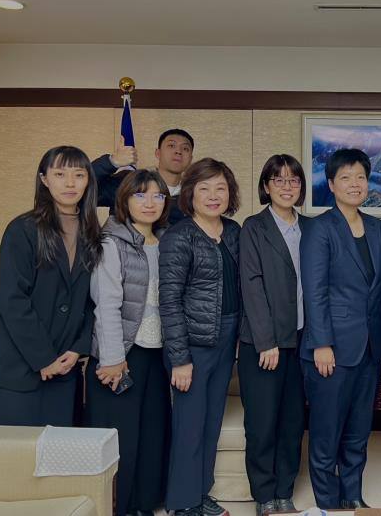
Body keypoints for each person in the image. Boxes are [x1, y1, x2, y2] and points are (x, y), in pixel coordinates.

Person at [300, 148, 381, 510]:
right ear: (331, 184)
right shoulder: (319, 228)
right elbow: (315, 290)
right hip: (332, 348)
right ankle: (328, 503)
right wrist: (321, 343)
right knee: (326, 433)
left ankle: (353, 497)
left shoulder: (378, 228)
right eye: (346, 177)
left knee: (358, 431)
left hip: (370, 346)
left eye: (360, 177)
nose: (355, 184)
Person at [0, 146, 101, 426]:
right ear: (45, 180)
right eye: (60, 174)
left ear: (88, 181)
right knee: (14, 461)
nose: (70, 183)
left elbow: (91, 300)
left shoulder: (93, 233)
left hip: (65, 371)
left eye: (78, 174)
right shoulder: (22, 229)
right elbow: (12, 300)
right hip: (19, 369)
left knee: (58, 463)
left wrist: (79, 348)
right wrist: (44, 359)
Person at [84, 169, 173, 516]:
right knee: (121, 440)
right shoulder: (111, 242)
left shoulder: (167, 241)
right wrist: (112, 358)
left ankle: (145, 506)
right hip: (120, 355)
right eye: (141, 195)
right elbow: (106, 304)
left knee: (152, 436)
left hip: (157, 354)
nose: (150, 203)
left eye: (158, 196)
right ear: (124, 200)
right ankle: (118, 509)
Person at [159, 158, 242, 516]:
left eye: (220, 188)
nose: (213, 196)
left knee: (210, 424)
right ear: (190, 193)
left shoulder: (234, 231)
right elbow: (169, 300)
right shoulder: (179, 236)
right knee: (189, 427)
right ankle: (183, 503)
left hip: (226, 338)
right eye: (204, 188)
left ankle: (200, 493)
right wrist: (180, 359)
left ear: (230, 193)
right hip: (192, 343)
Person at [238, 155, 310, 516]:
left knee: (293, 422)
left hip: (303, 342)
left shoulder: (310, 228)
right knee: (263, 422)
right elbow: (251, 286)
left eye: (293, 180)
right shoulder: (254, 227)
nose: (286, 186)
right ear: (266, 186)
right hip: (263, 344)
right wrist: (267, 341)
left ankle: (285, 489)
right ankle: (264, 495)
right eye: (278, 180)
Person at [93, 128, 194, 225]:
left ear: (190, 159)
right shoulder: (129, 182)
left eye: (185, 148)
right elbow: (85, 191)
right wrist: (111, 162)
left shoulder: (194, 197)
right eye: (171, 145)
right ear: (158, 153)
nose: (178, 151)